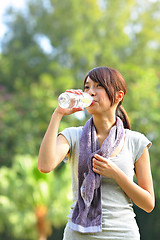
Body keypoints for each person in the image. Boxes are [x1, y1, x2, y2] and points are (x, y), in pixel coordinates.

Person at [38, 66, 155, 240]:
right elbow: (45, 166)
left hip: (122, 233)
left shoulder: (136, 141)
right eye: (87, 87)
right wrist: (58, 114)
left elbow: (148, 204)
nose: (90, 92)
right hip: (78, 233)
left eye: (98, 86)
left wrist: (116, 173)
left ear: (118, 96)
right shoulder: (73, 136)